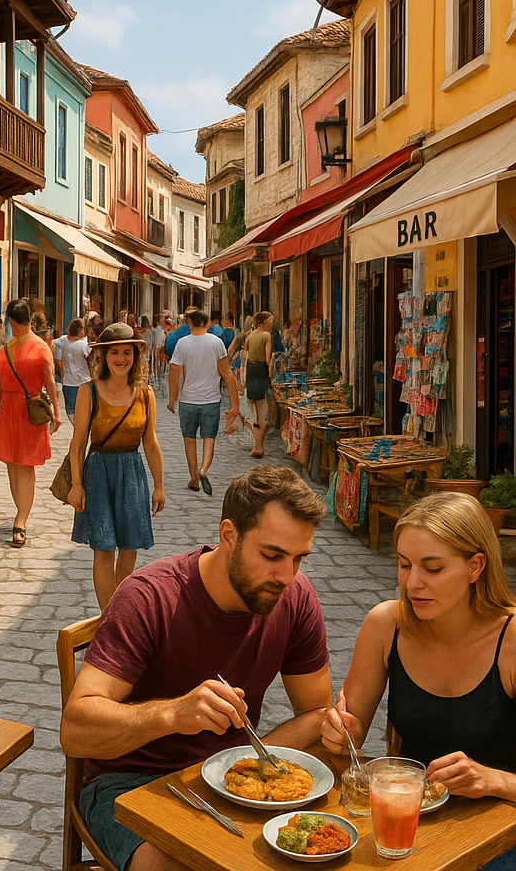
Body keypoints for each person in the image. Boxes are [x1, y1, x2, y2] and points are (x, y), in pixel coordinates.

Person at [59, 466, 331, 871]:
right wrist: (173, 713)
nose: (286, 577)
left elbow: (316, 714)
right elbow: (75, 731)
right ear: (228, 536)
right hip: (130, 783)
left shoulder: (295, 596)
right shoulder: (149, 598)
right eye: (272, 556)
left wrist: (257, 766)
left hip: (231, 779)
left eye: (298, 559)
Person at [321, 492, 516, 871]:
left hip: (498, 832)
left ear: (476, 566)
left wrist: (494, 780)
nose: (413, 583)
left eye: (433, 568)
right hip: (404, 826)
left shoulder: (511, 641)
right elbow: (346, 746)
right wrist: (338, 734)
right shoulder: (385, 624)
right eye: (404, 564)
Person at [68, 322, 164, 611]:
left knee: (129, 547)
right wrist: (76, 484)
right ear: (103, 357)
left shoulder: (145, 395)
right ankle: (107, 616)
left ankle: (118, 608)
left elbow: (150, 443)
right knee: (103, 546)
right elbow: (78, 443)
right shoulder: (90, 392)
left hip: (132, 473)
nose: (121, 359)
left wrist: (159, 486)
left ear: (135, 356)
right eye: (114, 353)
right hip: (98, 472)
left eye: (127, 352)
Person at [0, 299, 61, 548]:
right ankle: (21, 513)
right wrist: (57, 412)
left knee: (21, 467)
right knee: (15, 465)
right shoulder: (40, 348)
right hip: (22, 409)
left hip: (22, 410)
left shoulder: (5, 350)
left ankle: (21, 520)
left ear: (11, 321)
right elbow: (50, 382)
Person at [167, 310, 241, 495]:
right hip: (211, 400)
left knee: (189, 439)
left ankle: (193, 478)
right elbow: (227, 374)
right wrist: (235, 405)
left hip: (188, 400)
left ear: (189, 324)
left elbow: (174, 371)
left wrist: (172, 399)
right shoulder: (216, 343)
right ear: (207, 323)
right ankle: (204, 470)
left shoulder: (182, 343)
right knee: (209, 438)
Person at [244, 312, 275, 458]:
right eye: (270, 321)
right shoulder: (266, 336)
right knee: (262, 410)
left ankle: (257, 444)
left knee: (255, 409)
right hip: (261, 370)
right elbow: (268, 360)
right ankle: (258, 447)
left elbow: (246, 356)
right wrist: (272, 373)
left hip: (251, 370)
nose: (272, 324)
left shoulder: (250, 335)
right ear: (262, 322)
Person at [57, 318, 92, 422]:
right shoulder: (83, 345)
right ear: (78, 330)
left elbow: (57, 358)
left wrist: (62, 373)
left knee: (71, 412)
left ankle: (77, 430)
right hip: (83, 382)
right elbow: (91, 362)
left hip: (68, 383)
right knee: (86, 412)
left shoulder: (62, 342)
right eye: (83, 330)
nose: (84, 333)